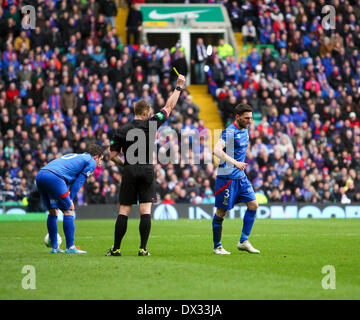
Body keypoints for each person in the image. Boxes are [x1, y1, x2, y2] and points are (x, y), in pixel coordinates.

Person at [106, 73, 186, 257]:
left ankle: (116, 248)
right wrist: (179, 86)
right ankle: (143, 249)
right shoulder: (151, 124)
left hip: (131, 169)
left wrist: (124, 165)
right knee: (145, 211)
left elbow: (112, 156)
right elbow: (169, 106)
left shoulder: (121, 130)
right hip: (148, 169)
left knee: (124, 210)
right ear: (145, 113)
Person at [36, 144, 104, 253]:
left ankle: (55, 248)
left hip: (41, 175)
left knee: (53, 211)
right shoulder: (91, 161)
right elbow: (80, 181)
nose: (99, 163)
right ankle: (70, 247)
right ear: (95, 157)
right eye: (100, 159)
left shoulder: (75, 155)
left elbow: (66, 176)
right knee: (69, 210)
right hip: (54, 177)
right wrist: (70, 198)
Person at [212, 103, 260, 255]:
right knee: (221, 212)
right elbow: (216, 150)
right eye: (246, 118)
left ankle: (243, 241)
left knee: (253, 205)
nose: (249, 121)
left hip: (241, 177)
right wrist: (235, 162)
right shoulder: (229, 132)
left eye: (251, 118)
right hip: (227, 177)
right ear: (237, 117)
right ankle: (217, 246)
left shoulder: (245, 130)